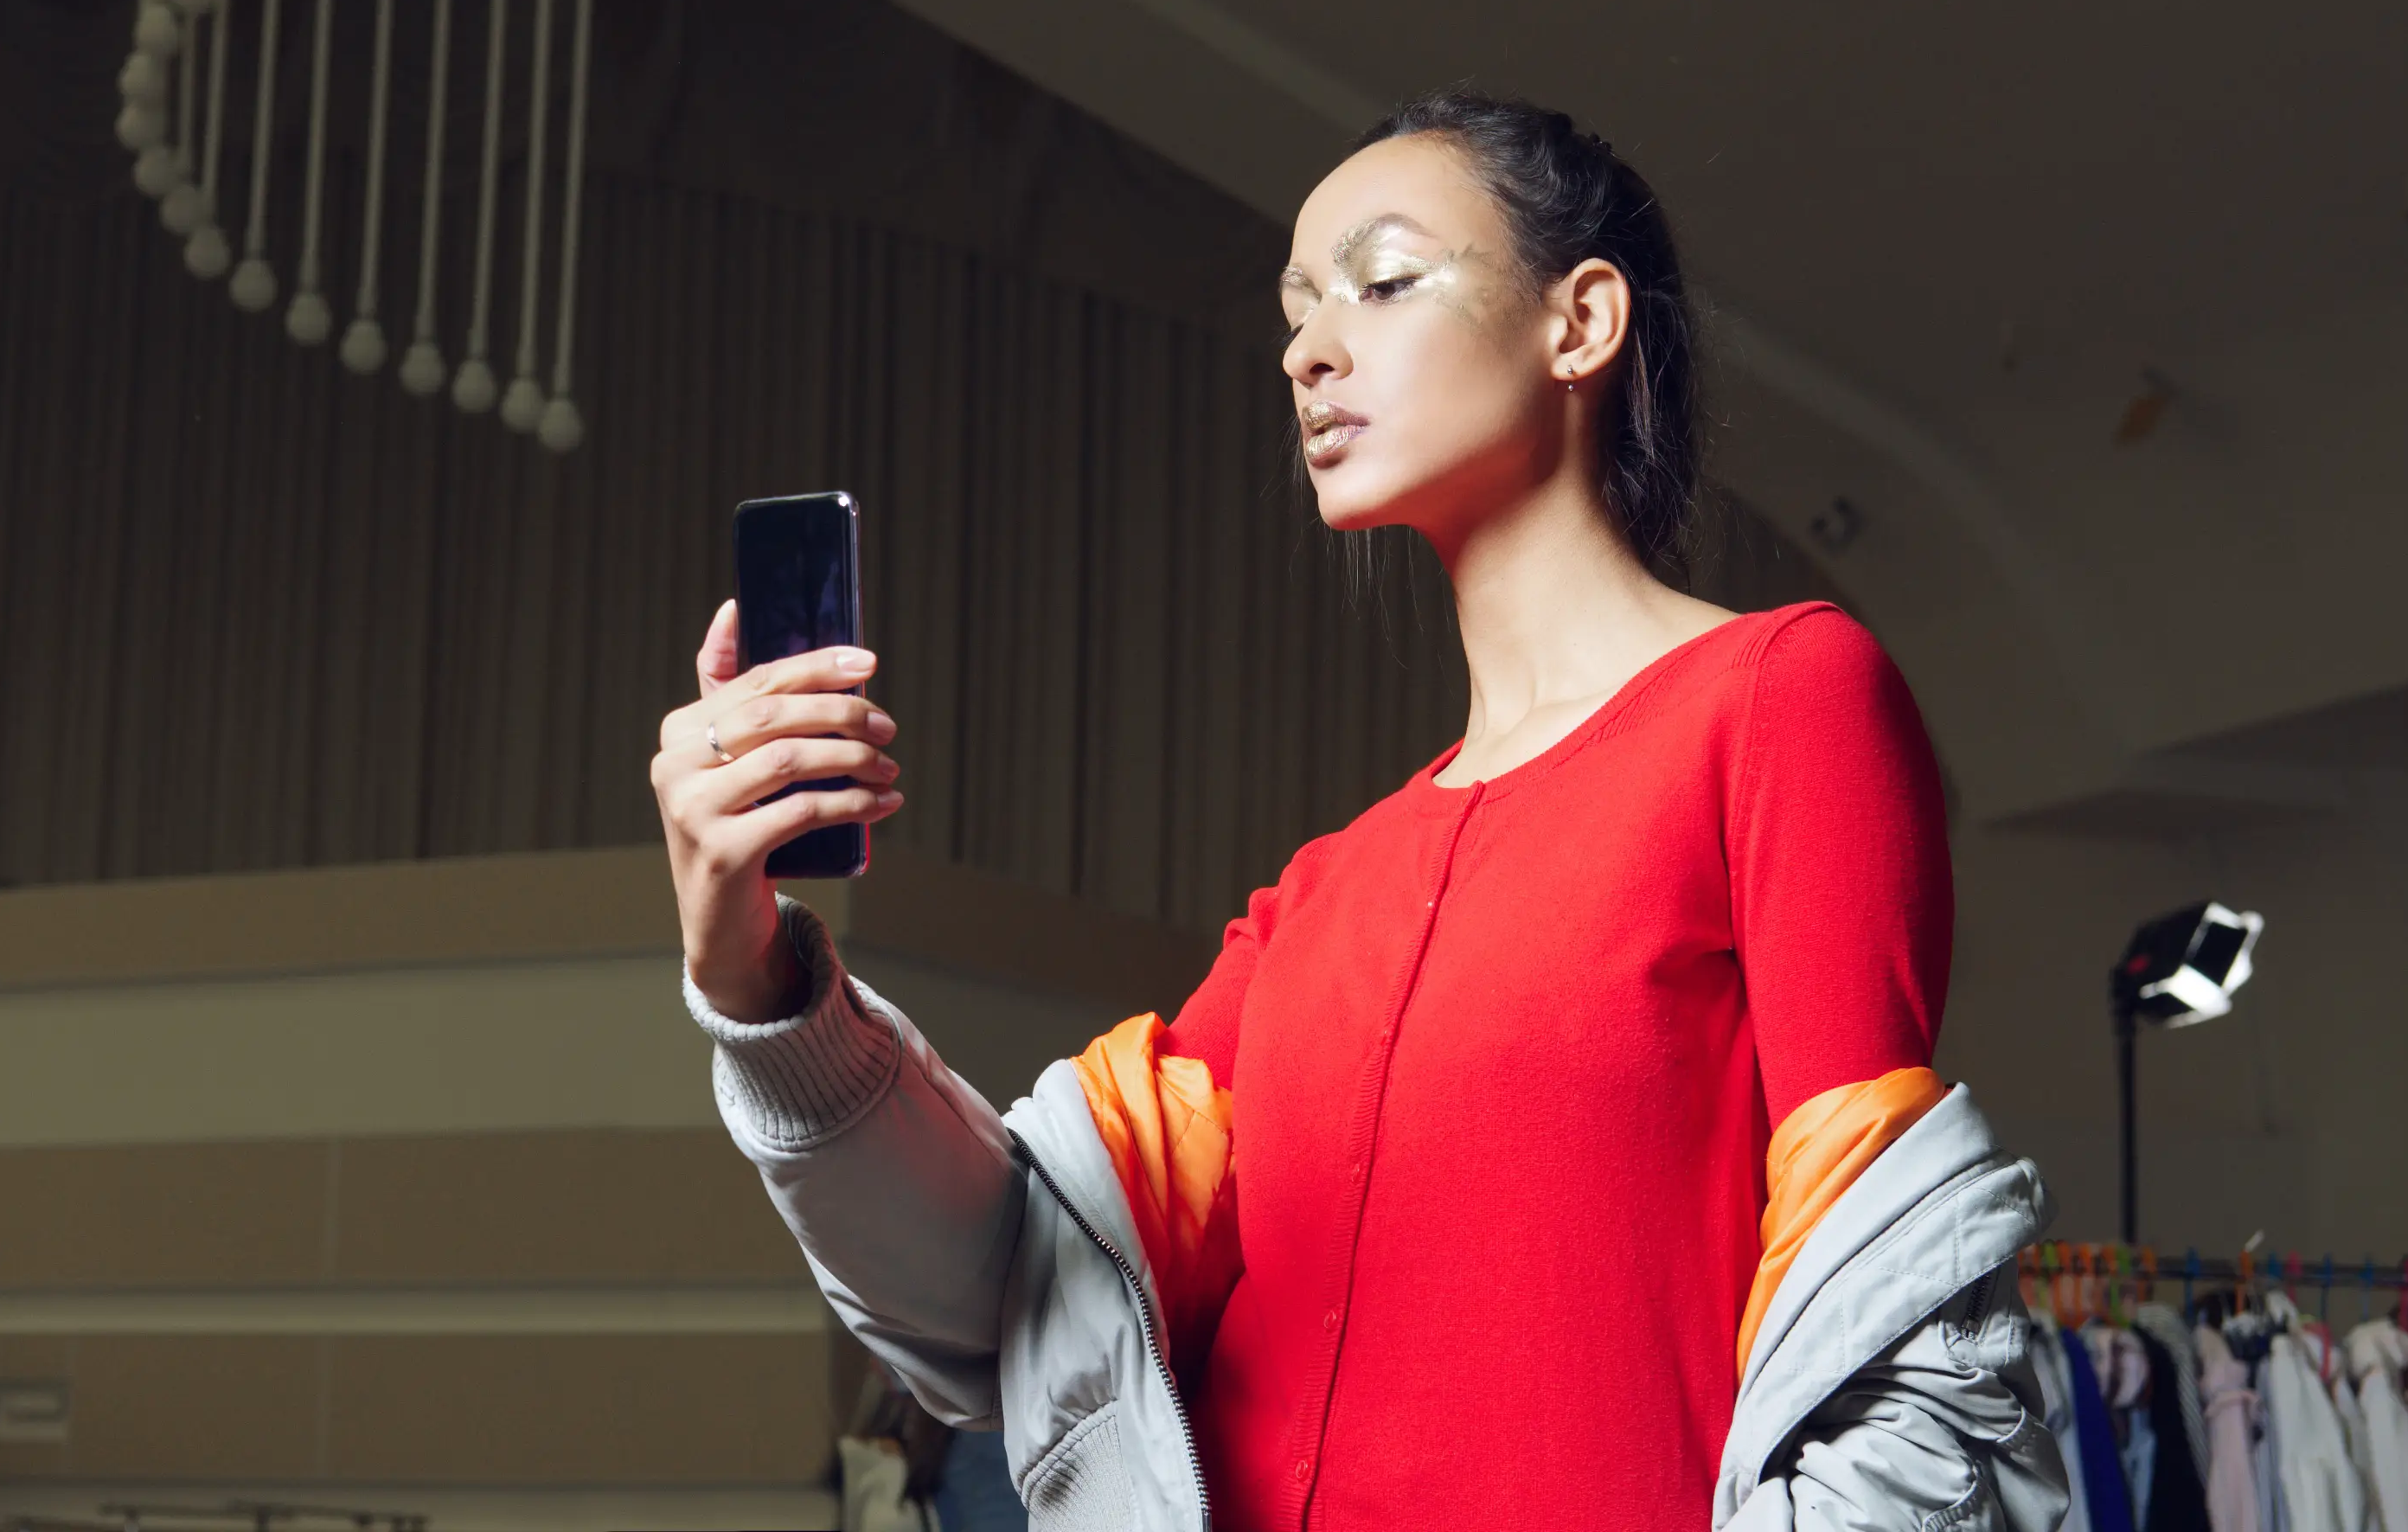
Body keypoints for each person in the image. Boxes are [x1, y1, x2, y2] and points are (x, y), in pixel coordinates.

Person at [650, 87, 2070, 1531]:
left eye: (1382, 283)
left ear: (1579, 322)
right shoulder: (1326, 890)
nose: (1307, 350)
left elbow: (1901, 1350)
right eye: (1296, 311)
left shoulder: (1783, 699)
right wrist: (751, 971)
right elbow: (1013, 1285)